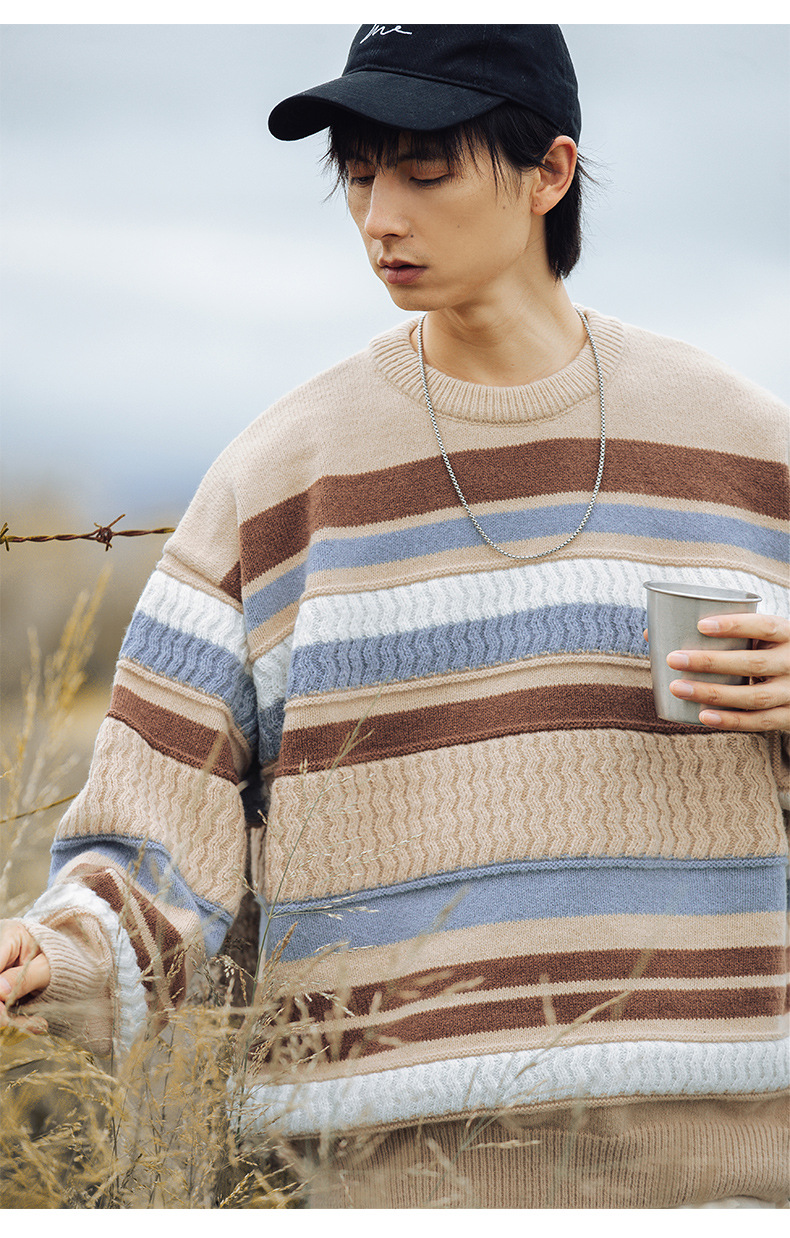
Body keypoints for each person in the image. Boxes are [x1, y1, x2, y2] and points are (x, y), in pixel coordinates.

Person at [1, 24, 788, 1209]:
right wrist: (55, 952)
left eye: (423, 173)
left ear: (549, 173)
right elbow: (159, 821)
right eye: (360, 177)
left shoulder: (739, 445)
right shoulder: (282, 476)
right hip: (388, 1180)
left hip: (725, 1170)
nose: (380, 218)